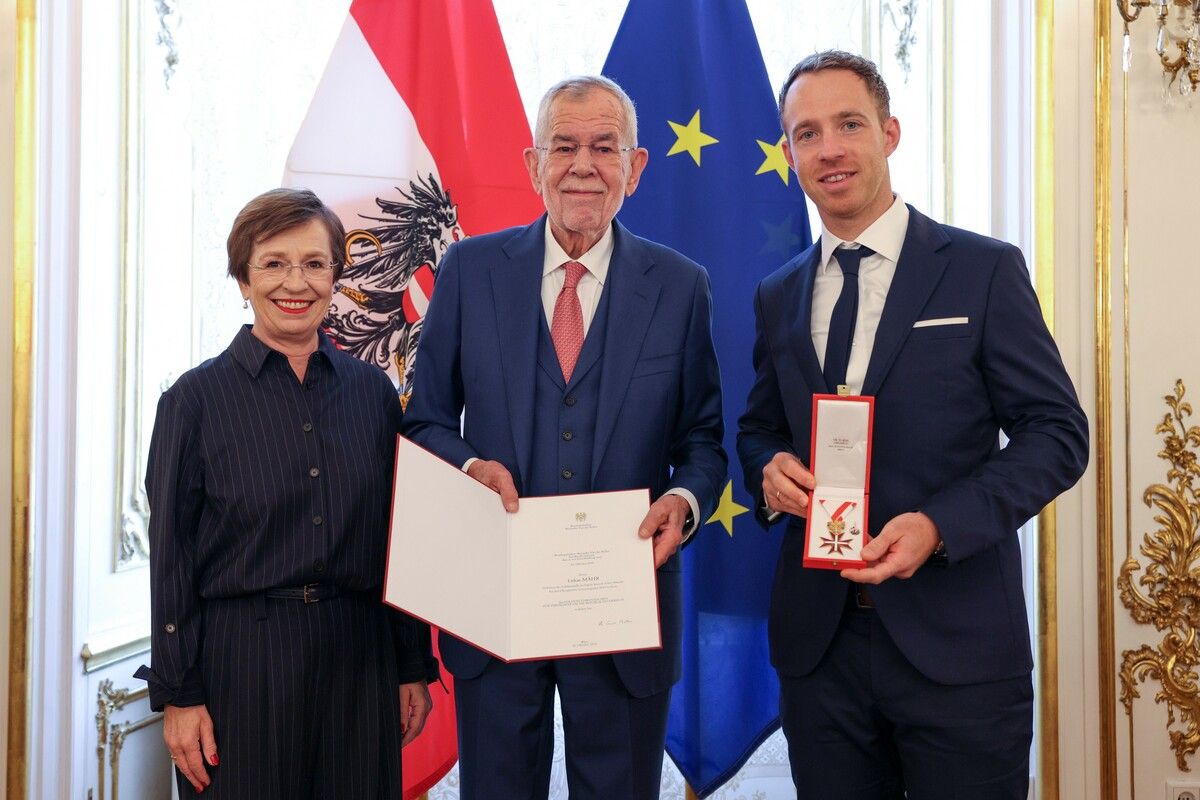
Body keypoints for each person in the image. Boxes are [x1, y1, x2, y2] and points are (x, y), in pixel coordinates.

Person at [737, 51, 1088, 798]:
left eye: (848, 124)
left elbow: (1057, 434)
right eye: (806, 133)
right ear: (790, 153)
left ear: (889, 133)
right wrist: (767, 471)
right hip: (820, 650)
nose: (828, 148)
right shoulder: (776, 293)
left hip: (957, 648)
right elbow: (759, 427)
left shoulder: (981, 270)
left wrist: (939, 523)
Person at [402, 75, 726, 800]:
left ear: (636, 168)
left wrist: (683, 499)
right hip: (494, 608)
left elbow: (704, 441)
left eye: (605, 147)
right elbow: (422, 422)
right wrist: (472, 463)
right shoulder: (468, 271)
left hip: (623, 610)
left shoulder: (681, 286)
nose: (584, 165)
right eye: (565, 146)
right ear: (532, 165)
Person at [134, 188, 438, 798]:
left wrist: (411, 665)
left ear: (335, 277)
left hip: (360, 662)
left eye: (314, 263)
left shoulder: (374, 395)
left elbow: (394, 541)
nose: (294, 282)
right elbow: (171, 561)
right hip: (237, 669)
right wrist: (180, 695)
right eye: (273, 263)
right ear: (243, 280)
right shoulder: (191, 403)